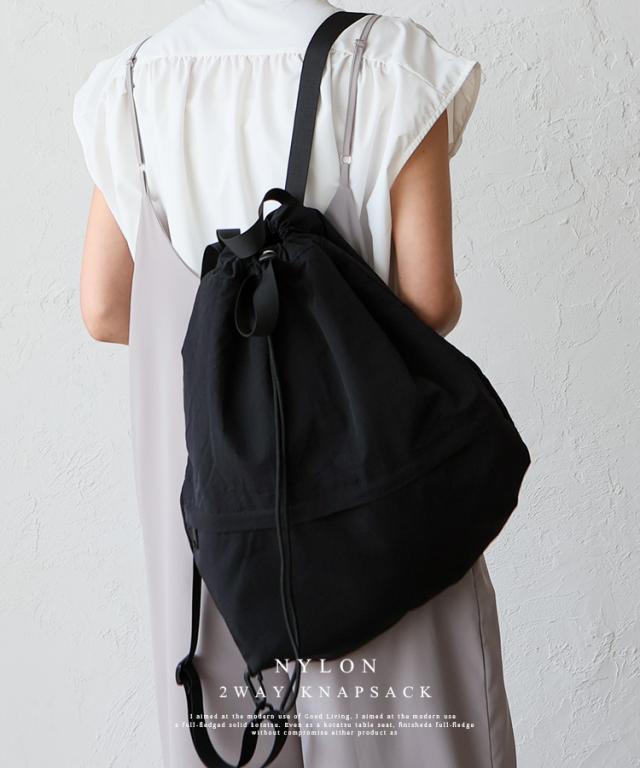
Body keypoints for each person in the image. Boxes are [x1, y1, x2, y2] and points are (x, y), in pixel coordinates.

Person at [73, 1, 517, 766]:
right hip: (368, 513)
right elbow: (430, 299)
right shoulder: (385, 66)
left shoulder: (132, 86)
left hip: (218, 536)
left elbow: (107, 307)